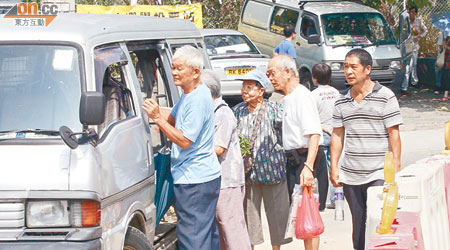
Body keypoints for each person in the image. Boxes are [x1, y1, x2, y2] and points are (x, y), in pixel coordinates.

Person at [142, 45, 221, 250]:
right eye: (173, 68)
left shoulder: (197, 99)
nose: (174, 72)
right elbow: (175, 116)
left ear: (195, 72)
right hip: (202, 176)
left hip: (195, 179)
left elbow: (185, 140)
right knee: (205, 233)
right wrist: (153, 111)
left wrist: (158, 119)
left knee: (193, 238)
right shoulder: (191, 93)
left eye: (179, 68)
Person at [330, 48, 402, 250]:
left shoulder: (385, 96)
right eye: (346, 67)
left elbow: (394, 133)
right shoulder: (341, 100)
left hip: (379, 172)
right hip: (351, 175)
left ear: (367, 69)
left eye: (354, 67)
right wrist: (334, 167)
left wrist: (395, 167)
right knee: (358, 225)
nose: (348, 71)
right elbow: (337, 135)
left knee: (378, 221)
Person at [268, 54, 325, 250]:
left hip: (305, 159)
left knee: (309, 214)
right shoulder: (288, 98)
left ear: (287, 72)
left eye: (272, 73)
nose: (270, 78)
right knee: (299, 214)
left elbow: (314, 134)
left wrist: (308, 167)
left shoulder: (302, 96)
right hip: (292, 160)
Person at [233, 70, 290, 250]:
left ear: (261, 91)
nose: (245, 91)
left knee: (277, 216)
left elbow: (287, 134)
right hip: (248, 175)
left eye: (249, 88)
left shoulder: (275, 109)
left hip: (273, 173)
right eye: (243, 87)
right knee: (250, 217)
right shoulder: (237, 111)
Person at [201, 70, 251, 250]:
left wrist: (190, 147)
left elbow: (219, 148)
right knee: (222, 229)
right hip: (217, 180)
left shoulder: (223, 113)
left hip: (227, 181)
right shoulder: (211, 111)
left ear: (206, 90)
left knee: (232, 229)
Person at [311, 63, 340, 209]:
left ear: (314, 78)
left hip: (321, 134)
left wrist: (323, 127)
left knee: (321, 169)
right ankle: (336, 199)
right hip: (336, 133)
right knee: (334, 166)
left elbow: (312, 117)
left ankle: (319, 199)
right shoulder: (336, 93)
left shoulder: (313, 95)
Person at [400, 5, 428, 95]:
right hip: (407, 47)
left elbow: (425, 30)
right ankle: (405, 86)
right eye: (410, 12)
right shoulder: (405, 21)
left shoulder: (418, 21)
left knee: (413, 64)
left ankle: (414, 82)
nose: (411, 14)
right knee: (407, 66)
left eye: (413, 12)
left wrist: (419, 36)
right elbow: (401, 32)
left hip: (415, 46)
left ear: (416, 13)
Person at [439, 35, 450, 101]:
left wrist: (446, 47)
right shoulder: (447, 38)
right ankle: (446, 94)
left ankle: (445, 95)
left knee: (447, 78)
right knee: (446, 78)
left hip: (448, 61)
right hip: (446, 61)